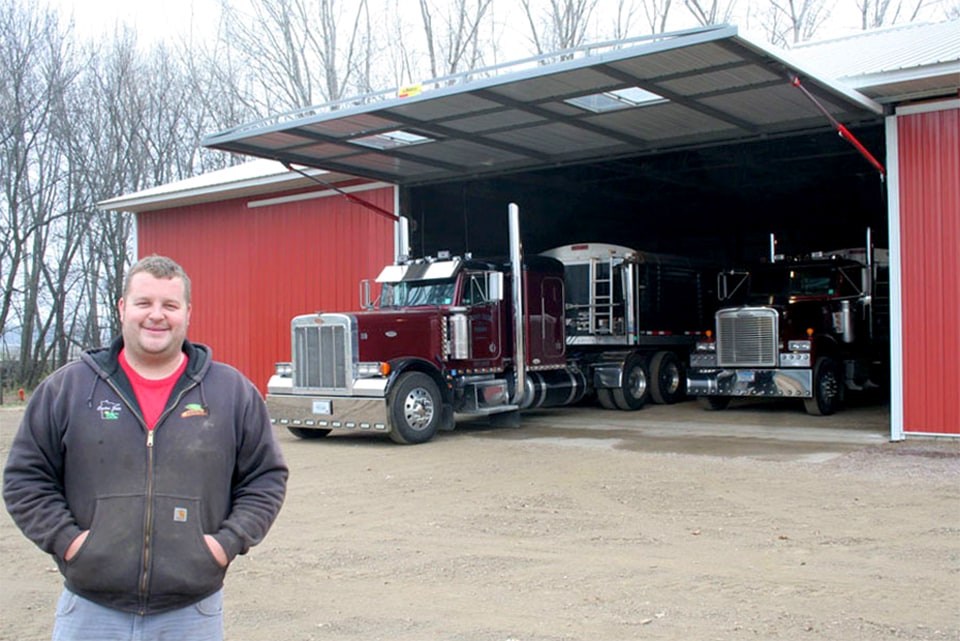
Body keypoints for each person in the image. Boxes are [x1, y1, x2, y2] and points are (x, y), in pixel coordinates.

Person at [3, 255, 288, 641]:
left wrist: (224, 544)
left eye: (170, 305)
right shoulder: (67, 389)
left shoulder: (231, 393)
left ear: (187, 312)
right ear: (123, 308)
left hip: (193, 612)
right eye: (144, 303)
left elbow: (265, 478)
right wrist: (70, 543)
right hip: (90, 610)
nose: (157, 315)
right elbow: (26, 478)